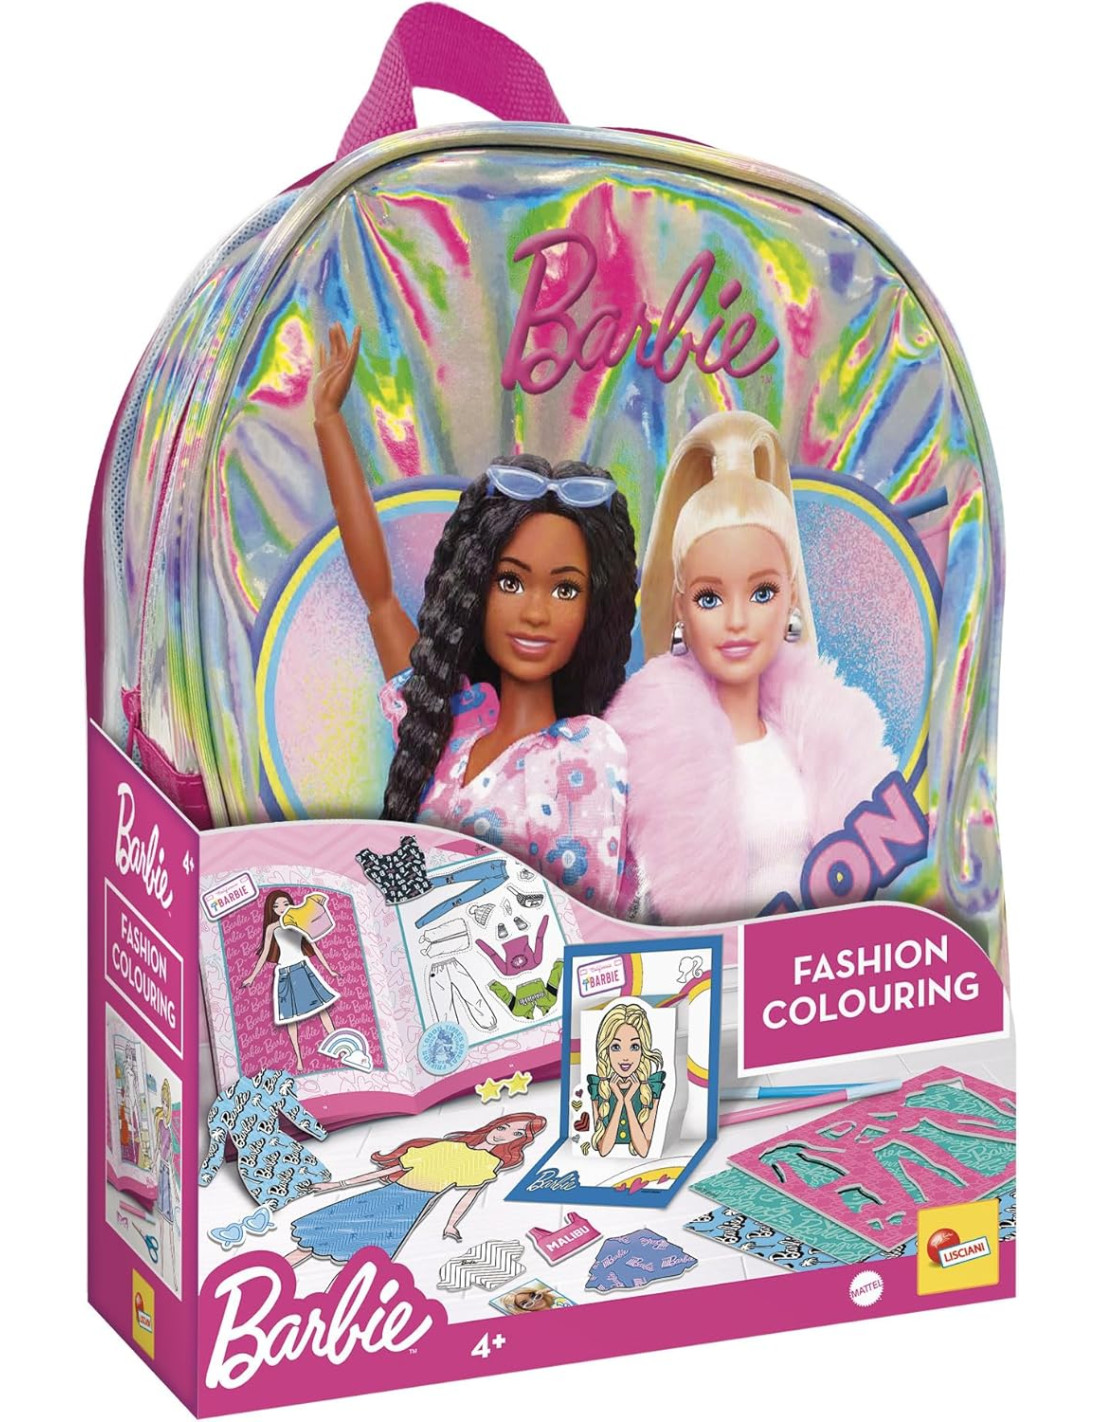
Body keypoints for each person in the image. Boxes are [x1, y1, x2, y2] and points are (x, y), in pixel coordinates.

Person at [314, 325, 637, 912]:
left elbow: (589, 919)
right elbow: (380, 597)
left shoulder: (587, 753)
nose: (534, 612)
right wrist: (329, 421)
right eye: (510, 582)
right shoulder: (447, 724)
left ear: (594, 609)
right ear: (475, 591)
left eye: (565, 590)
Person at [606, 411, 895, 924]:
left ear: (791, 598)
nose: (737, 621)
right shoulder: (648, 756)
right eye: (710, 598)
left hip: (815, 966)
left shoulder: (824, 740)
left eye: (762, 592)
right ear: (680, 609)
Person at [285, 1112, 546, 1266]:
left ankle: (334, 1302)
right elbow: (388, 1170)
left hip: (410, 1209)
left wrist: (451, 1224)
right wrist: (338, 1185)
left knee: (362, 1261)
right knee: (317, 1240)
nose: (502, 1134)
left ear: (519, 1141)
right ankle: (275, 1277)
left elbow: (468, 1196)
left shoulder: (488, 1163)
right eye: (502, 1127)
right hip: (382, 1196)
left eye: (515, 1134)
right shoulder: (447, 1147)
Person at [243, 890, 341, 1071]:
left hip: (302, 969)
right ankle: (299, 1058)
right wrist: (252, 976)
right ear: (271, 909)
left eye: (285, 904)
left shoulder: (299, 922)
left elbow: (314, 947)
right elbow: (264, 954)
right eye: (276, 906)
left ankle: (337, 1046)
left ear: (291, 904)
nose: (281, 908)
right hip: (285, 973)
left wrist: (330, 970)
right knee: (289, 1018)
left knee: (322, 1008)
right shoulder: (272, 928)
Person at [587, 1002, 666, 1157]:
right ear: (606, 1050)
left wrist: (628, 1100)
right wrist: (619, 1100)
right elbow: (604, 1149)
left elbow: (643, 1150)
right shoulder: (599, 1087)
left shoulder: (652, 1087)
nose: (625, 1057)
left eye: (634, 1047)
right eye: (616, 1047)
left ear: (643, 1050)